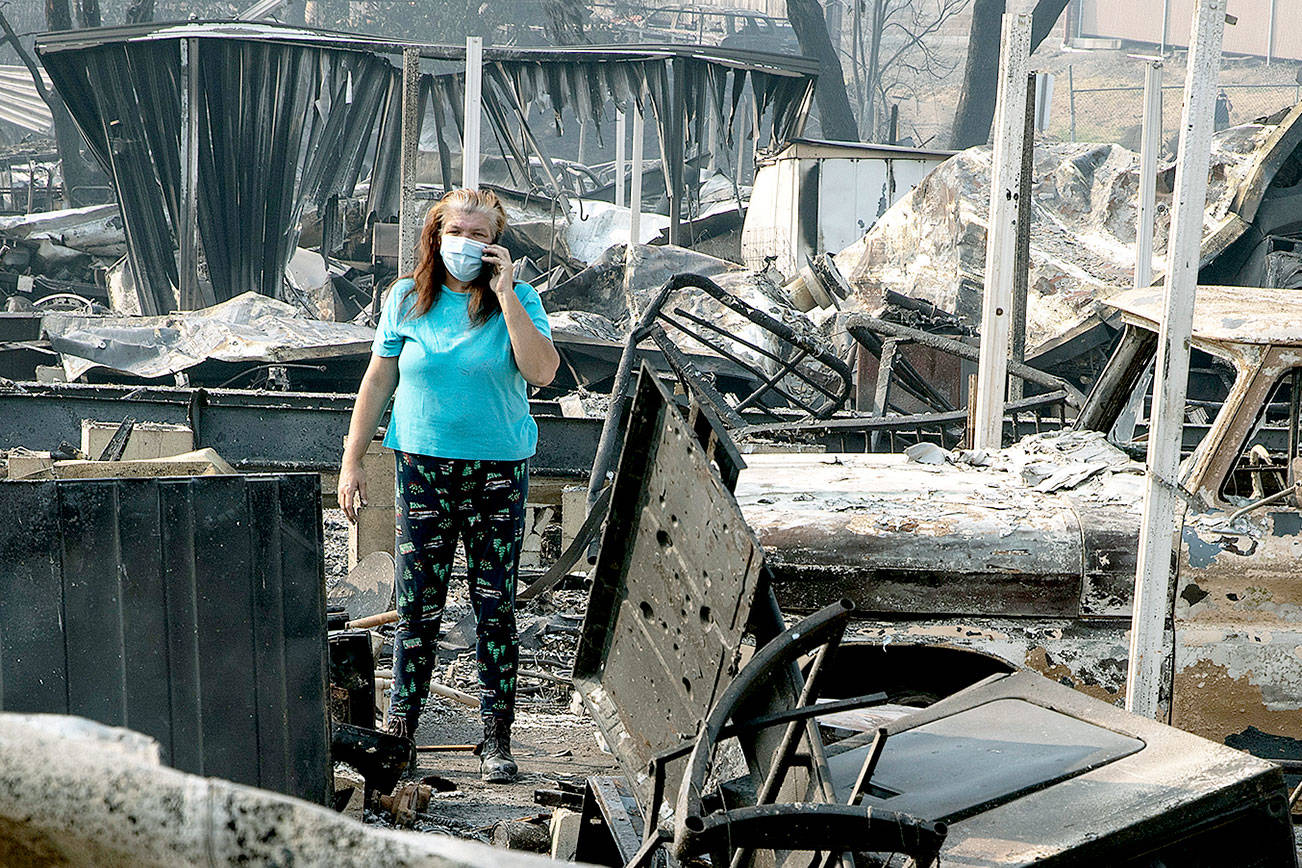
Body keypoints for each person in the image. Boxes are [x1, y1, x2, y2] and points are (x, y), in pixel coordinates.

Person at [337, 188, 558, 783]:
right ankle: (401, 737)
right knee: (418, 609)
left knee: (494, 607)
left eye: (480, 236)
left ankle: (495, 740)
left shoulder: (521, 299)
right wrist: (352, 460)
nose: (467, 244)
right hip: (423, 469)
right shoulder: (406, 298)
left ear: (496, 245)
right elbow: (378, 381)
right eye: (456, 232)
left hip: (497, 472)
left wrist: (508, 295)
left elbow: (541, 370)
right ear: (436, 235)